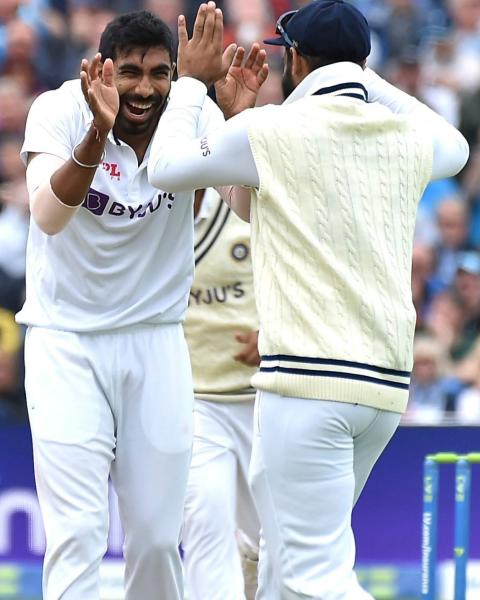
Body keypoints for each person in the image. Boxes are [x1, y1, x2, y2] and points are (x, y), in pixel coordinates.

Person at [148, 1, 469, 597]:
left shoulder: (272, 129)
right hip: (381, 389)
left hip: (306, 384)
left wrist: (192, 85)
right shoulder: (401, 133)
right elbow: (456, 146)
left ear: (294, 58)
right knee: (279, 562)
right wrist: (365, 76)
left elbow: (164, 168)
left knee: (310, 574)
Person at [18, 7, 266, 600]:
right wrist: (95, 135)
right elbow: (50, 218)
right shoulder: (57, 110)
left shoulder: (192, 112)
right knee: (76, 532)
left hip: (156, 341)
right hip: (64, 342)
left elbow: (249, 209)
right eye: (130, 72)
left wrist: (236, 126)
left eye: (160, 73)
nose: (145, 88)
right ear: (102, 69)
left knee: (156, 538)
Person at [180, 187, 262, 600]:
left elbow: (309, 273)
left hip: (267, 395)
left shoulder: (254, 195)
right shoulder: (148, 203)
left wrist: (278, 336)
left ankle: (253, 557)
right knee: (204, 523)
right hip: (194, 400)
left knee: (277, 543)